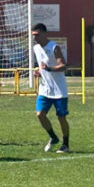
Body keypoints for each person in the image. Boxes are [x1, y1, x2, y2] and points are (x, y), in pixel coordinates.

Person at [32, 23, 69, 153]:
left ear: (44, 33)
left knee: (61, 117)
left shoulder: (54, 47)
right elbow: (42, 66)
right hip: (45, 89)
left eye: (36, 35)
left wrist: (49, 69)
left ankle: (65, 144)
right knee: (40, 114)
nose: (34, 38)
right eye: (33, 36)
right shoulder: (36, 48)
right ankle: (53, 137)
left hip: (59, 90)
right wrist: (38, 71)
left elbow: (63, 66)